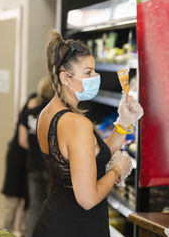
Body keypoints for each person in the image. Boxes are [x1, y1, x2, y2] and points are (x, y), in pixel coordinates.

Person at [33, 30, 143, 237]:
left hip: (53, 221)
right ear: (65, 77)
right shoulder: (77, 124)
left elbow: (91, 156)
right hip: (77, 228)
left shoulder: (46, 113)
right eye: (88, 72)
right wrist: (116, 172)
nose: (96, 77)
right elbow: (87, 198)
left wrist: (124, 122)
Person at [18, 76, 54, 237]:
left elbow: (22, 141)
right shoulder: (53, 113)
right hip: (51, 166)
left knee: (33, 205)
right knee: (52, 206)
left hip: (32, 165)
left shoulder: (29, 113)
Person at [0, 95, 32, 234]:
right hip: (17, 161)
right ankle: (3, 233)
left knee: (27, 204)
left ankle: (19, 231)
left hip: (30, 164)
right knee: (11, 203)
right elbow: (23, 141)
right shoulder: (27, 114)